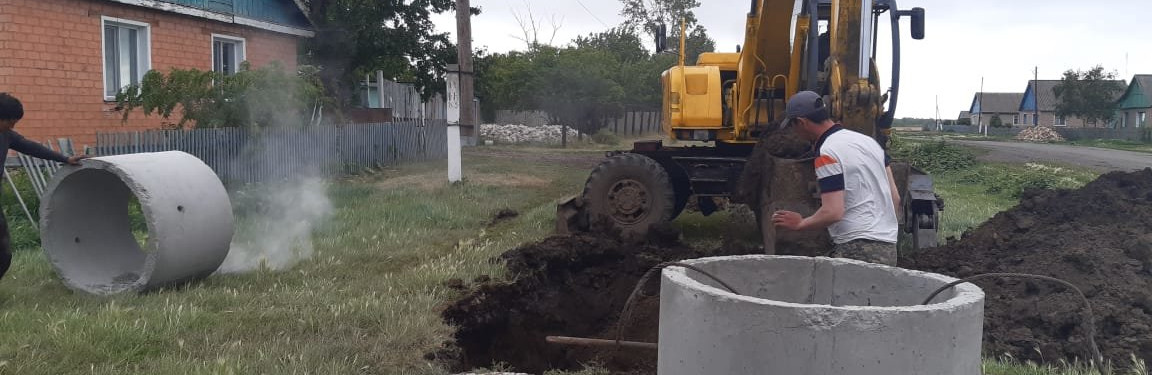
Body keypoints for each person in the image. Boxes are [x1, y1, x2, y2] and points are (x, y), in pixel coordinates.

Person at [770, 91, 902, 265]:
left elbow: (833, 212)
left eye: (793, 126)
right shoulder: (870, 143)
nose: (794, 132)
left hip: (857, 249)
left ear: (802, 122)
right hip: (888, 249)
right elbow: (895, 198)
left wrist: (800, 224)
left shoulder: (828, 152)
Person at [0, 93, 88, 280]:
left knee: (3, 254)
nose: (12, 126)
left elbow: (31, 147)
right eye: (10, 122)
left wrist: (64, 159)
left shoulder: (6, 135)